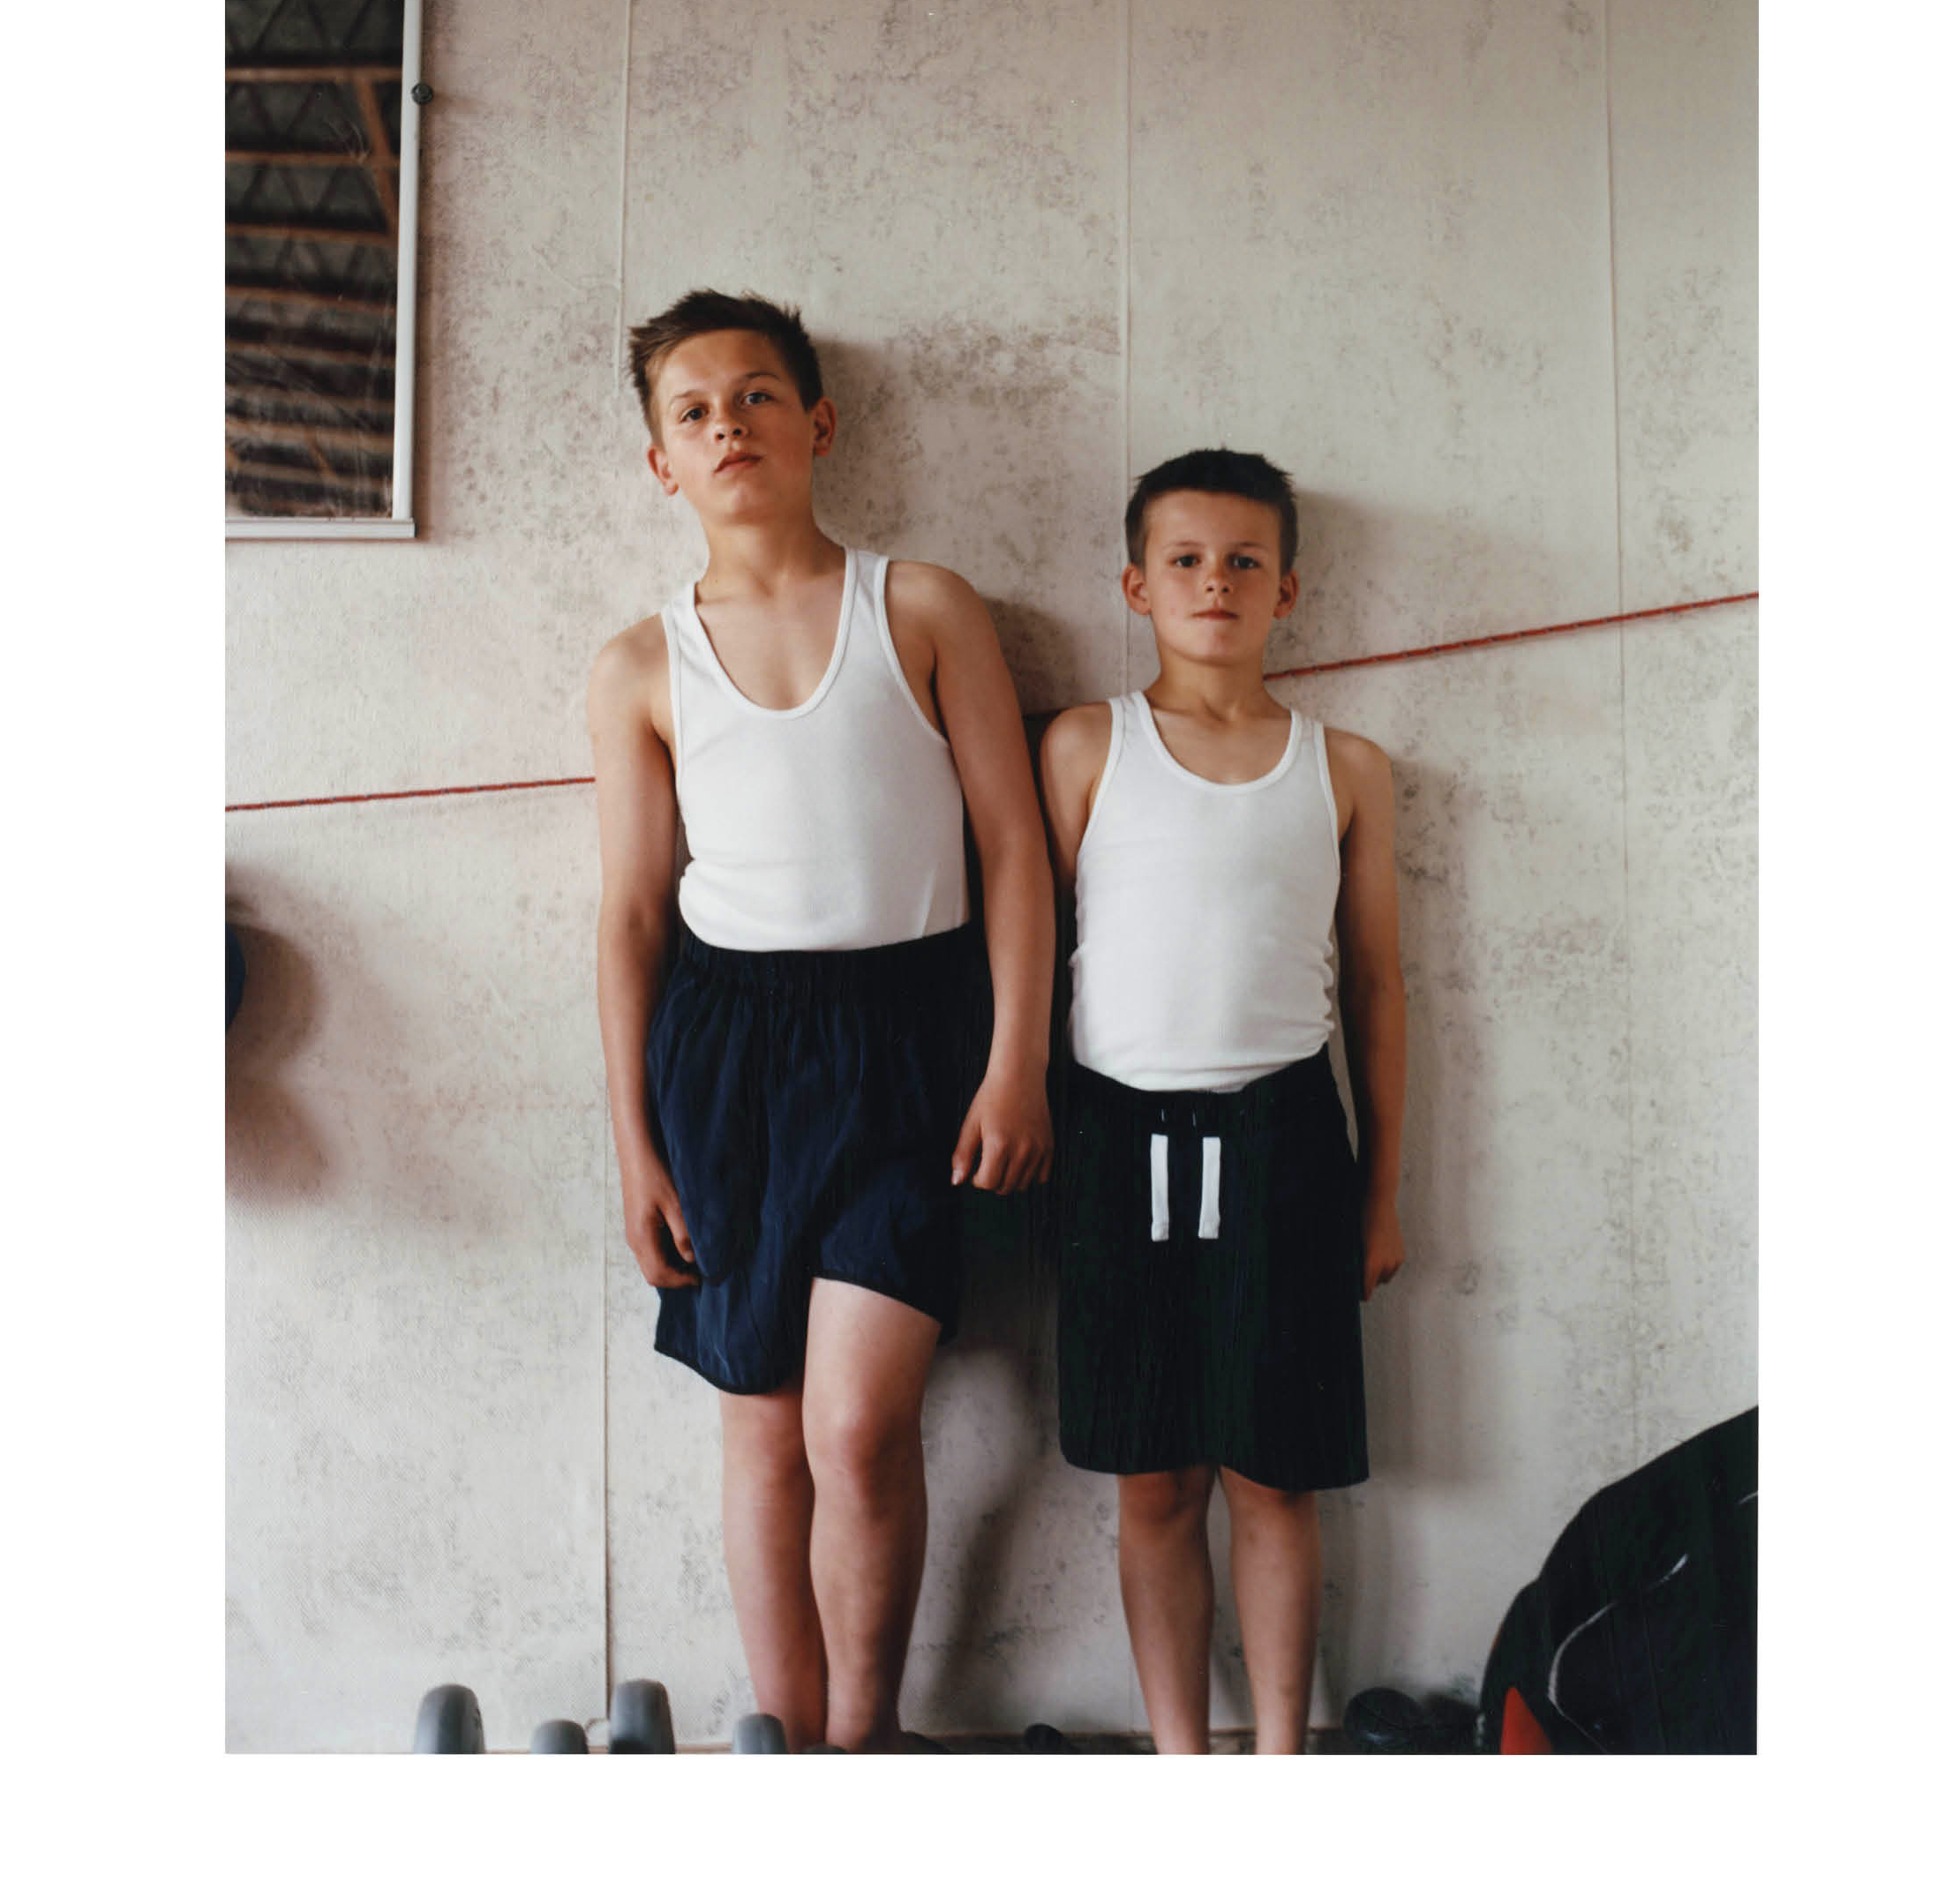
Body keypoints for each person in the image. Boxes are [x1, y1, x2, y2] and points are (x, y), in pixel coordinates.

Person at [583, 289, 1057, 1752]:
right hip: (726, 1055)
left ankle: (864, 1743)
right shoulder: (640, 665)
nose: (729, 424)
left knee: (856, 1427)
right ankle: (780, 1750)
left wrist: (1018, 1061)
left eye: (757, 396)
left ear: (818, 424)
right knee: (761, 1422)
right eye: (694, 410)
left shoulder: (922, 607)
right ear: (662, 460)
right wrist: (635, 1148)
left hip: (912, 1039)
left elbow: (1015, 850)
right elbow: (631, 916)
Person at [1035, 448, 1408, 1755]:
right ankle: (1182, 1758)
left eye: (1246, 561)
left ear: (1287, 590)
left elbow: (1379, 987)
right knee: (1154, 1482)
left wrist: (1380, 1195)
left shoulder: (1345, 767)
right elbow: (1033, 954)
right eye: (1186, 559)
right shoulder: (1085, 746)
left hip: (1285, 1144)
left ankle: (1279, 1761)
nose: (1216, 583)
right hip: (1114, 1143)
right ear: (1136, 584)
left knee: (1274, 1478)